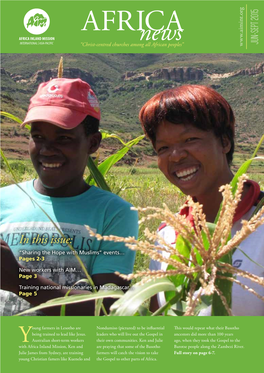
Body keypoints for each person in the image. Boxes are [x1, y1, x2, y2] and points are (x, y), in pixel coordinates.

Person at [0, 77, 138, 316]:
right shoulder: (4, 200)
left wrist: (20, 281)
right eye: (38, 136)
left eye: (63, 138)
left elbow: (108, 306)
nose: (46, 149)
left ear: (93, 143)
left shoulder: (114, 213)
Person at [139, 84, 264, 316]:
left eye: (190, 139)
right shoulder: (166, 235)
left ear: (224, 142)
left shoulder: (259, 223)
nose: (176, 155)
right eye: (163, 147)